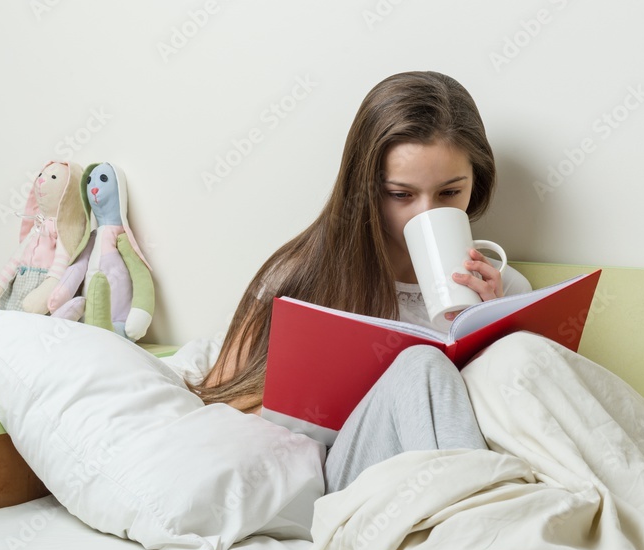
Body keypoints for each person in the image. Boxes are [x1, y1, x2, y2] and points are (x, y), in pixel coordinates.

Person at [190, 71, 533, 492]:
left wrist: (492, 332)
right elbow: (221, 403)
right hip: (350, 475)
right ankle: (484, 525)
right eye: (400, 195)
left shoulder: (503, 288)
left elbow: (525, 425)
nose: (423, 215)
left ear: (475, 182)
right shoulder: (302, 275)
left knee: (518, 357)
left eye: (448, 193)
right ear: (366, 188)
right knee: (420, 365)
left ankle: (485, 524)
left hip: (465, 471)